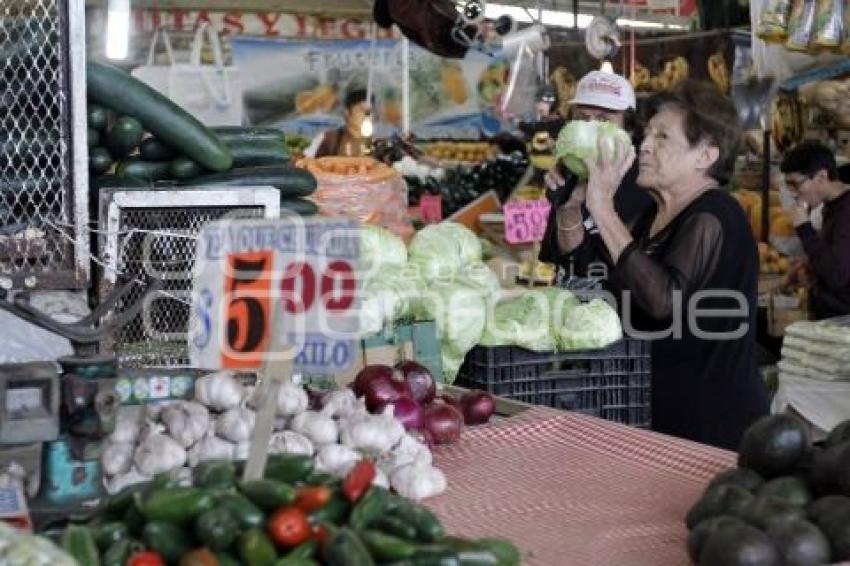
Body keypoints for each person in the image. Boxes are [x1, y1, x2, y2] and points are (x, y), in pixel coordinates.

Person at [574, 80, 769, 449]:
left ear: (705, 155)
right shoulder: (651, 215)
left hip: (710, 421)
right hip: (657, 414)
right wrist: (574, 208)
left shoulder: (716, 215)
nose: (644, 145)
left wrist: (602, 208)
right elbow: (599, 272)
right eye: (647, 133)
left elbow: (664, 300)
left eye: (662, 137)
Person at [538, 71, 653, 284]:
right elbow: (565, 261)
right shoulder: (568, 174)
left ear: (628, 130)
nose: (589, 129)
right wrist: (569, 206)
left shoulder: (646, 185)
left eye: (603, 119)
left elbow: (631, 274)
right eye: (582, 118)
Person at [781, 140, 850, 319]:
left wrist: (805, 229)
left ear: (821, 177)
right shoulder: (832, 205)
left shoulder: (846, 210)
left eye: (796, 184)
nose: (794, 194)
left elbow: (837, 275)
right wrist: (810, 267)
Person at [305, 89, 372, 158]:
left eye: (369, 111)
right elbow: (311, 164)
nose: (366, 115)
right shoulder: (328, 138)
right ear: (347, 112)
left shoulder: (375, 143)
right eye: (361, 110)